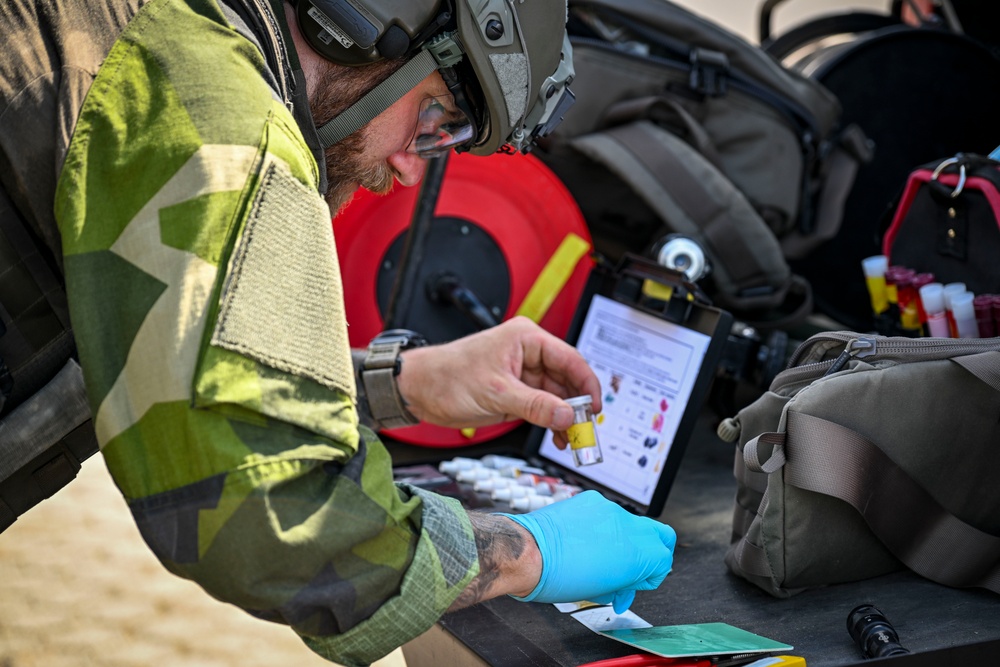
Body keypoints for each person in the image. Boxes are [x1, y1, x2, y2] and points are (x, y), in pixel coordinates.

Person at [0, 0, 677, 665]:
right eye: (435, 116)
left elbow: (183, 354)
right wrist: (531, 551)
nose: (413, 166)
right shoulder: (217, 112)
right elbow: (273, 512)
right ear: (369, 22)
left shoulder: (158, 30)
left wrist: (403, 383)